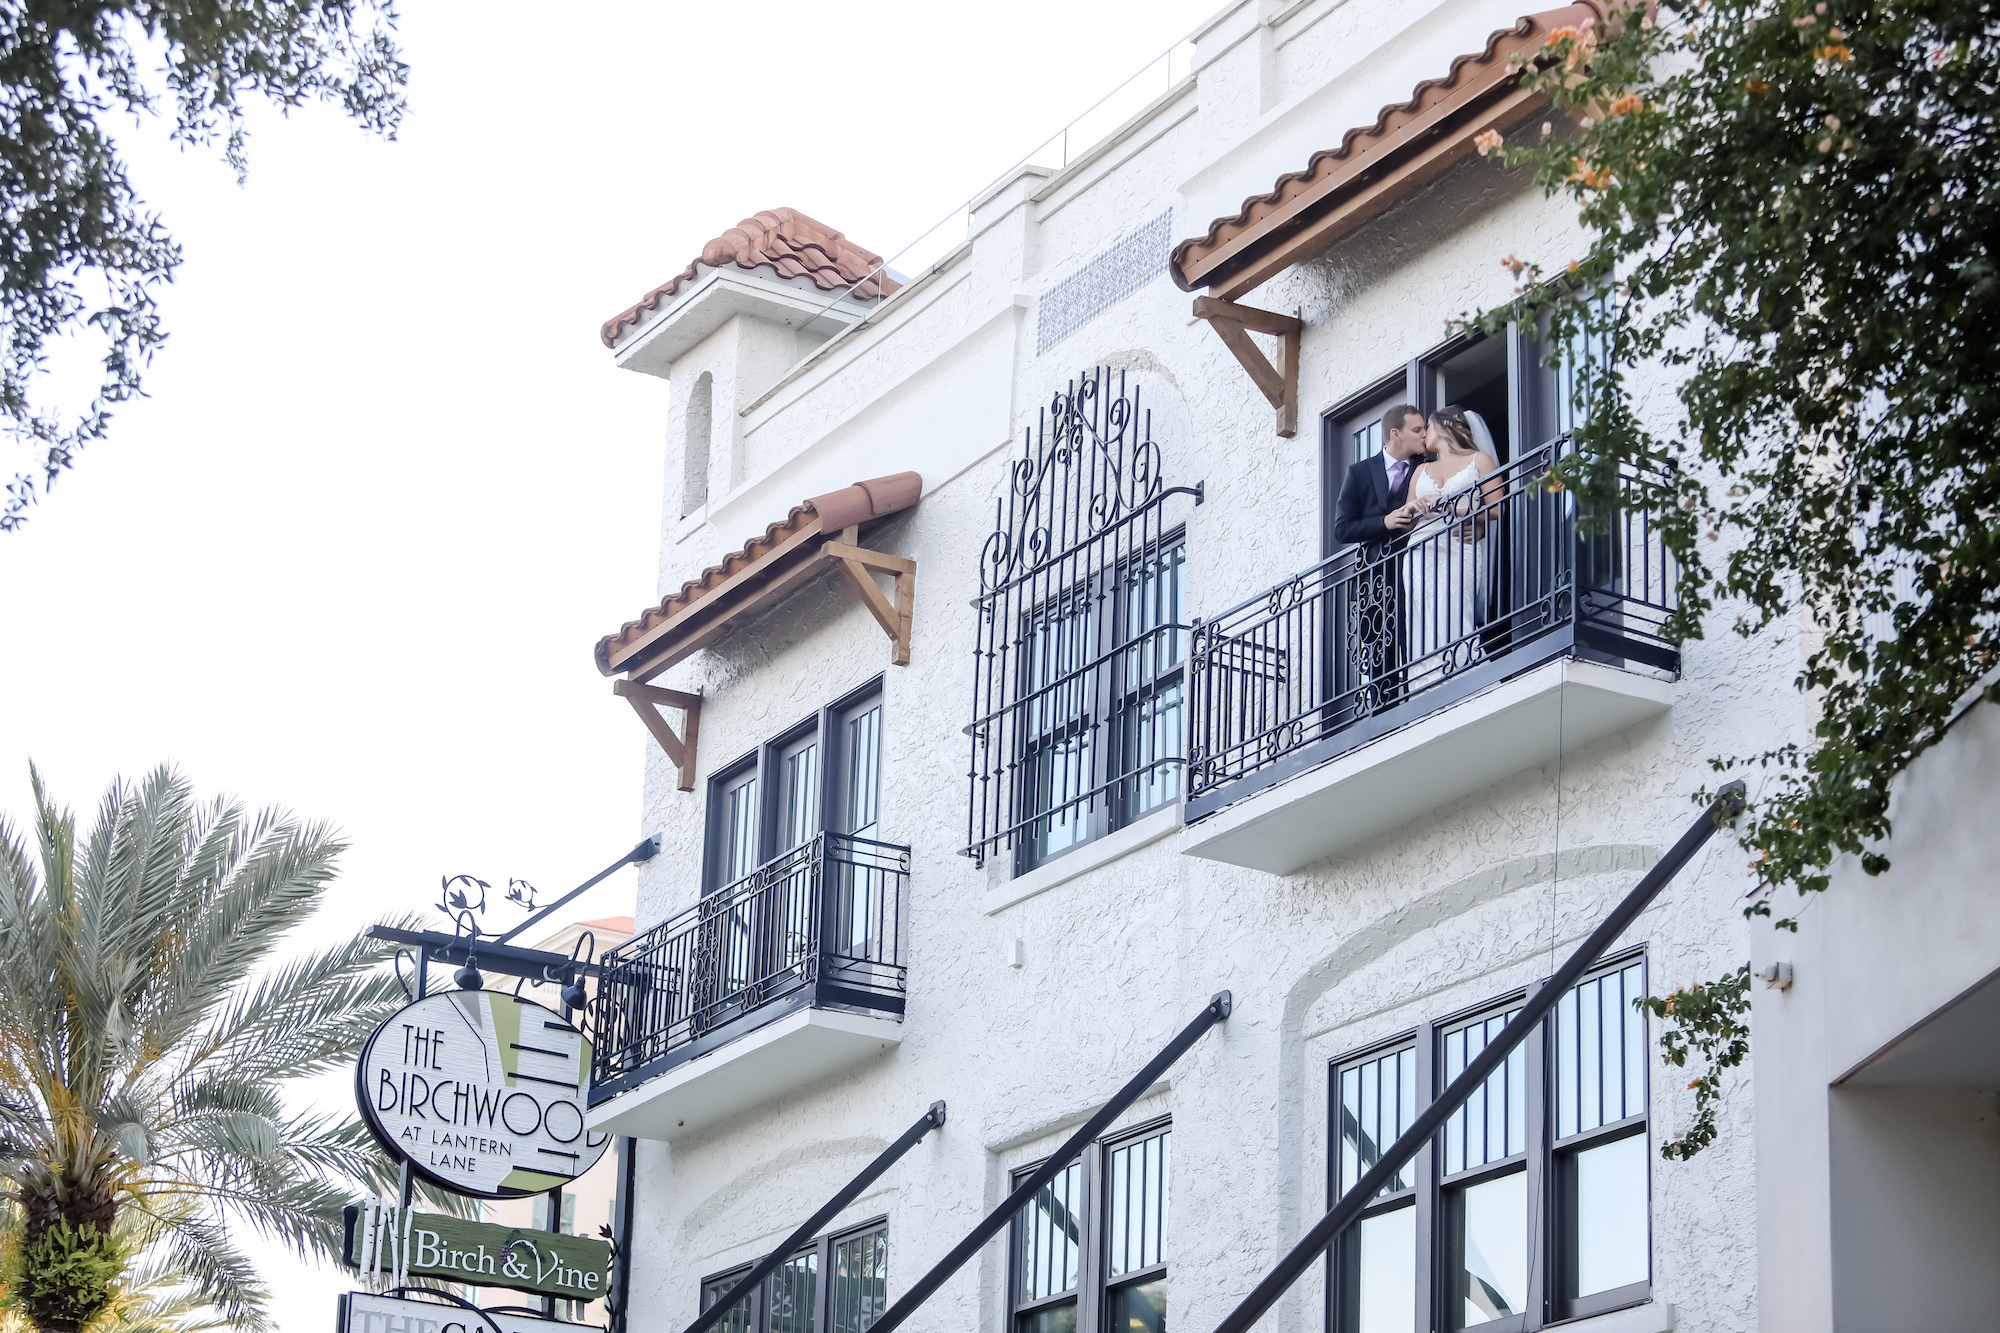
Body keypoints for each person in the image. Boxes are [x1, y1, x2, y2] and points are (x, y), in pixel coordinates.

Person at [1330, 404, 1433, 707]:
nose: (1424, 435)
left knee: (1415, 637)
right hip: (1373, 580)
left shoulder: (1426, 468)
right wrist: (1384, 522)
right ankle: (1383, 710)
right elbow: (1341, 529)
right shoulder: (1359, 473)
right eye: (1418, 430)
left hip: (1418, 568)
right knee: (1379, 652)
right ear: (1395, 434)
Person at [1404, 405, 1503, 677]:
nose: (1424, 434)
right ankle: (1424, 678)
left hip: (1460, 546)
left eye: (1429, 427)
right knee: (1422, 613)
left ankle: (1463, 672)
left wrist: (1453, 510)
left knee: (1455, 606)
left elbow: (1496, 508)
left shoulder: (1479, 460)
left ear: (1446, 426)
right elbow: (1407, 519)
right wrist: (1413, 507)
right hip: (1421, 548)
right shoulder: (1420, 470)